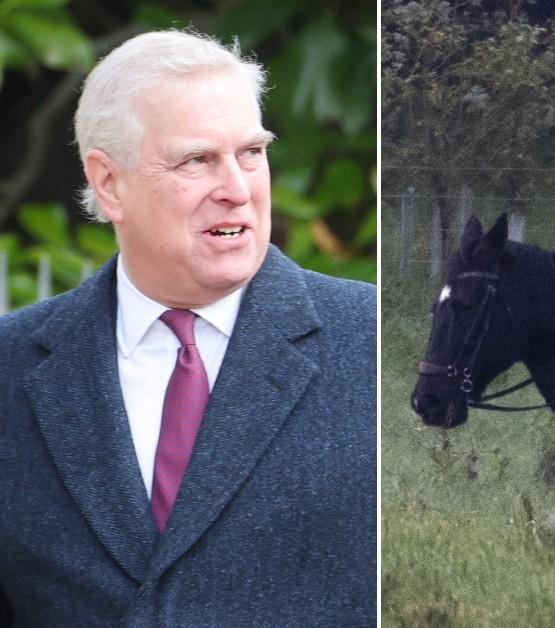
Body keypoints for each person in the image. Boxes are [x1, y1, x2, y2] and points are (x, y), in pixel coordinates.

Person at [0, 30, 375, 626]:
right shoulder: (10, 365)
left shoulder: (378, 344)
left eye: (251, 152)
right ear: (108, 183)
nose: (236, 189)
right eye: (197, 160)